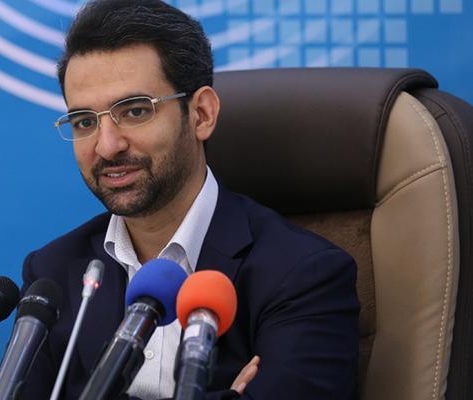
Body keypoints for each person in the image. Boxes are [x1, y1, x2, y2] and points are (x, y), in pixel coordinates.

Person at [20, 0, 359, 399]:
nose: (107, 146)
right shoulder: (53, 273)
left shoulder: (303, 275)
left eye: (134, 112)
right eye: (84, 121)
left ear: (201, 114)